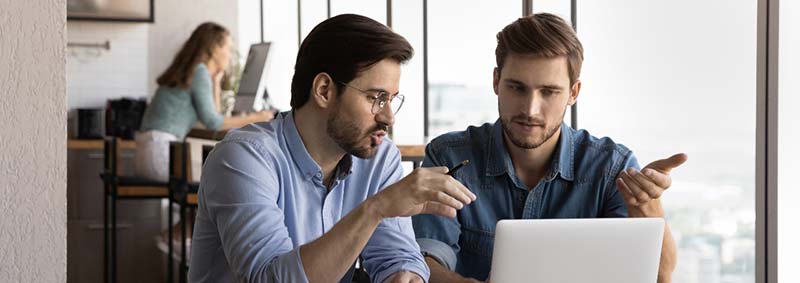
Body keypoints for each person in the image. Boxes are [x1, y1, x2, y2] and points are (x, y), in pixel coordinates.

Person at [189, 14, 476, 283]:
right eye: (376, 98)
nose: (389, 117)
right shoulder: (243, 158)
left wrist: (404, 274)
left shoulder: (379, 157)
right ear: (324, 90)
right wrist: (375, 209)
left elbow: (398, 257)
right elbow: (271, 278)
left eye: (392, 99)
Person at [411, 13, 687, 283]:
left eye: (548, 92)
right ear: (496, 82)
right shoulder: (450, 157)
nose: (530, 110)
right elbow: (425, 259)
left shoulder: (611, 168)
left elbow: (660, 275)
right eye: (517, 88)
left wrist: (648, 209)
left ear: (573, 93)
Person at [135, 22, 273, 182]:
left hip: (149, 153)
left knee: (218, 175)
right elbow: (213, 123)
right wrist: (256, 119)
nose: (230, 55)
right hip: (161, 155)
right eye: (228, 48)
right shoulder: (199, 72)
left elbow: (214, 116)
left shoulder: (193, 70)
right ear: (214, 49)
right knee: (227, 178)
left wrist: (215, 82)